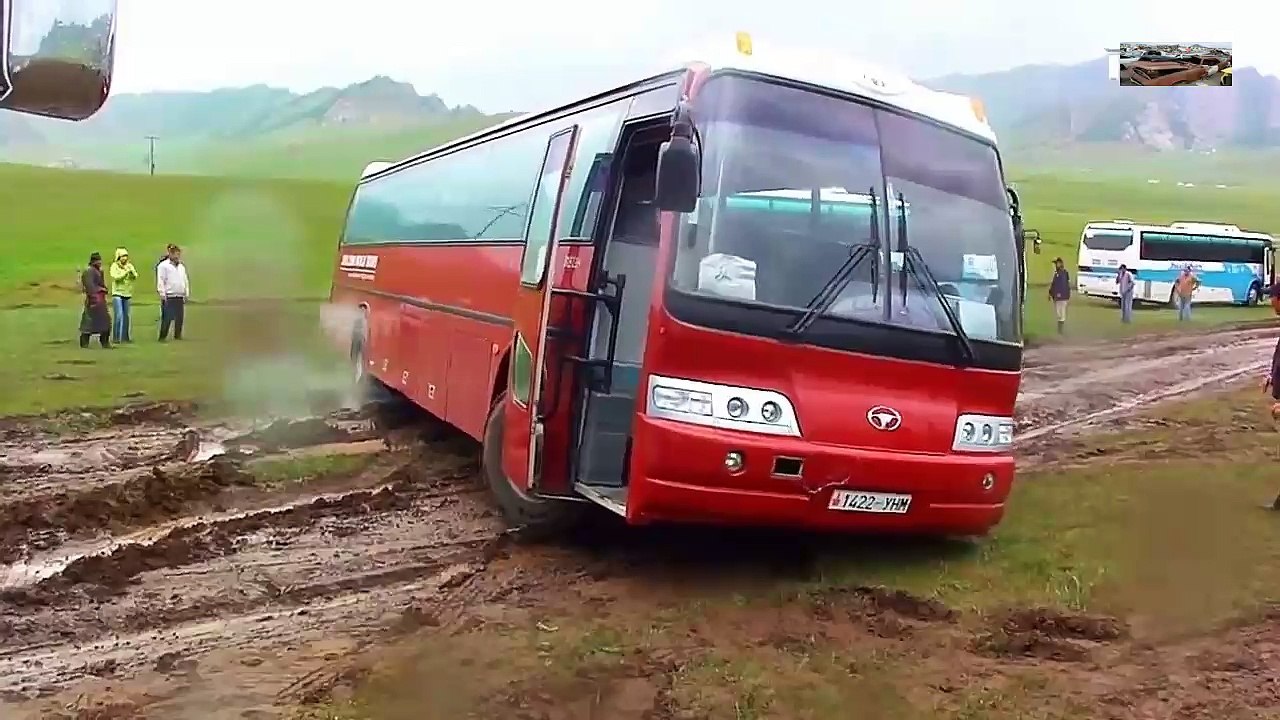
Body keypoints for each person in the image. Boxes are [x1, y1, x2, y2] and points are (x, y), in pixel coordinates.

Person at [157, 244, 190, 341]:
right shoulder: (163, 266)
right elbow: (161, 280)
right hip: (169, 295)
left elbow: (185, 280)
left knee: (180, 317)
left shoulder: (181, 267)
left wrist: (186, 293)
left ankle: (178, 335)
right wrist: (162, 293)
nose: (177, 256)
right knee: (167, 317)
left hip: (179, 294)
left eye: (178, 254)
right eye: (175, 254)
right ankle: (162, 336)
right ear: (170, 254)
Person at [79, 252, 111, 348]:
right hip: (93, 302)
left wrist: (104, 289)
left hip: (100, 301)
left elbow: (101, 284)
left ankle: (105, 342)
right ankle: (84, 343)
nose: (100, 262)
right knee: (88, 325)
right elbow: (89, 286)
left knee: (106, 323)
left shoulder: (99, 271)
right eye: (98, 260)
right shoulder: (89, 272)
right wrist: (99, 291)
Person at [108, 247, 138, 343]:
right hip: (117, 293)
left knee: (126, 316)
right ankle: (116, 337)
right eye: (122, 256)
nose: (124, 258)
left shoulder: (129, 266)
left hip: (127, 293)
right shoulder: (114, 266)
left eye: (126, 256)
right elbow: (116, 277)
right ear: (118, 257)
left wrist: (132, 273)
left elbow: (135, 276)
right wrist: (125, 273)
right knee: (119, 315)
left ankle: (125, 337)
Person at [1048, 257, 1071, 335]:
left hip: (1062, 296)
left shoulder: (1062, 273)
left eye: (1056, 264)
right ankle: (1060, 330)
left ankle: (1060, 330)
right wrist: (1050, 293)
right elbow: (1054, 284)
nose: (1055, 265)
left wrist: (1058, 293)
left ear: (1060, 264)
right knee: (1059, 313)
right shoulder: (1058, 273)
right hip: (1059, 296)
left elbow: (1062, 285)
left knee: (1061, 313)